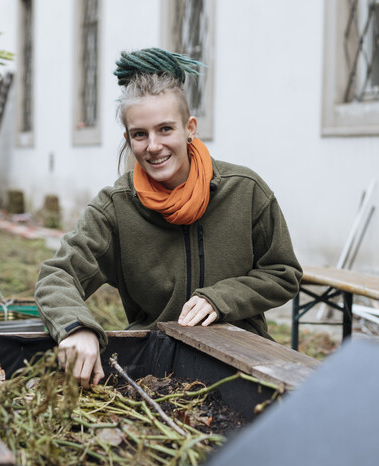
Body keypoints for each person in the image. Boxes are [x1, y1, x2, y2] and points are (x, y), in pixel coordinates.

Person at [35, 47, 302, 387]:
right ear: (128, 139)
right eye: (140, 134)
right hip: (154, 371)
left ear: (189, 127)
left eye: (165, 129)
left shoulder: (245, 191)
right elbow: (57, 275)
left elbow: (283, 273)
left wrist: (221, 298)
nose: (153, 146)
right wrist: (76, 327)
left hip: (242, 359)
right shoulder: (115, 207)